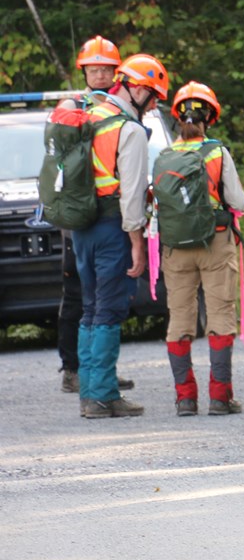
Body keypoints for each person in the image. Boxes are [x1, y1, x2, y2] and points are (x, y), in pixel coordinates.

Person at [71, 52, 170, 419]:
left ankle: (89, 394)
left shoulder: (90, 115)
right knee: (110, 309)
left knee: (90, 308)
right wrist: (137, 243)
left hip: (82, 227)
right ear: (138, 90)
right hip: (112, 227)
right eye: (154, 96)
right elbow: (131, 194)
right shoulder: (128, 130)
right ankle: (103, 396)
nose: (155, 104)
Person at [157, 82, 244, 416]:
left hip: (175, 248)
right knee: (220, 316)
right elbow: (238, 201)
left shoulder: (164, 155)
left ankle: (185, 399)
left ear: (177, 117)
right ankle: (220, 398)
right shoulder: (217, 152)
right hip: (215, 242)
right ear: (210, 117)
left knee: (179, 319)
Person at [55, 36, 134, 396]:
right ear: (84, 71)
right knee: (83, 297)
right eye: (94, 69)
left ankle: (98, 375)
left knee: (102, 299)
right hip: (84, 218)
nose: (100, 74)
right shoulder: (74, 107)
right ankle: (77, 373)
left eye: (106, 69)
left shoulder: (114, 108)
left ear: (115, 72)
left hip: (99, 216)